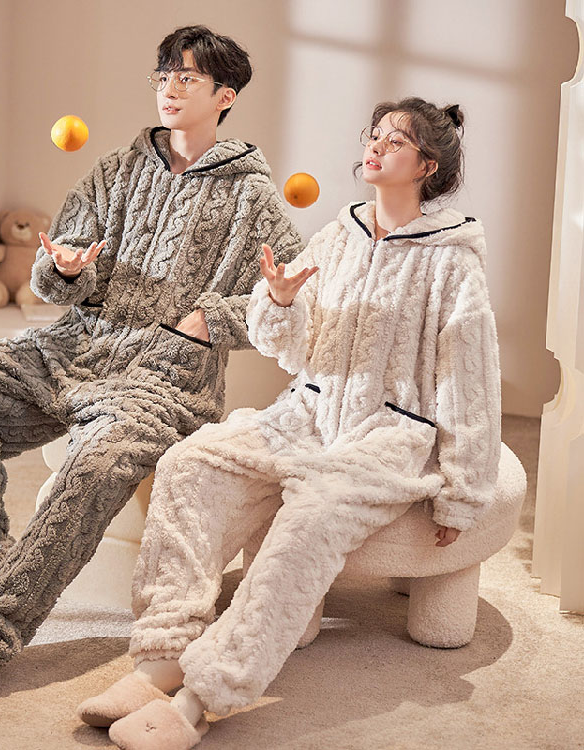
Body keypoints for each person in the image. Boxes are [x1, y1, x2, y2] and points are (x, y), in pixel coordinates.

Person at [0, 25, 302, 719]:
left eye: (187, 78)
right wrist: (66, 269)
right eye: (163, 75)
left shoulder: (253, 198)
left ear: (224, 96)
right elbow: (55, 274)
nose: (169, 88)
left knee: (97, 463)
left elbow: (286, 299)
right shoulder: (114, 170)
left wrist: (209, 319)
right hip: (75, 348)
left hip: (165, 380)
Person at [78, 97, 501, 750]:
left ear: (427, 165)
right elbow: (294, 349)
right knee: (189, 462)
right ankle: (160, 659)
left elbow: (470, 381)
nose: (375, 146)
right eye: (374, 135)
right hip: (304, 413)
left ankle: (200, 697)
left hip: (386, 436)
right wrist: (278, 302)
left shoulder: (453, 264)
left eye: (395, 141)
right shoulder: (335, 238)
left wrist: (463, 492)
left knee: (312, 515)